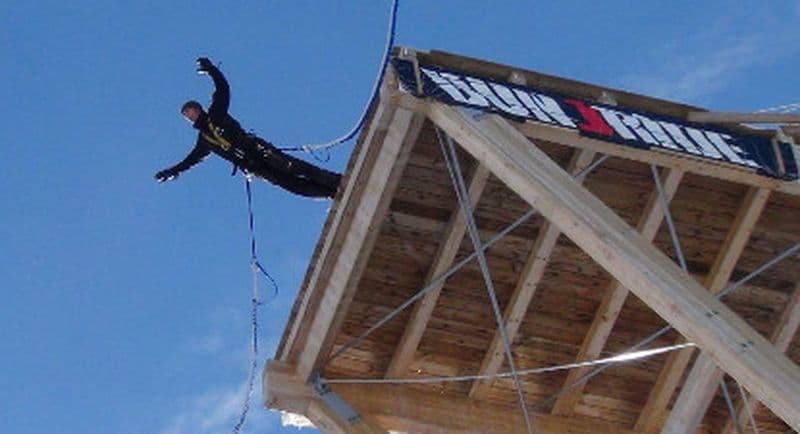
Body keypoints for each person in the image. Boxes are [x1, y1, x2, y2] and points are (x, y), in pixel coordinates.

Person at [155, 57, 342, 199]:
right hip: (253, 166)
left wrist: (211, 70)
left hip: (259, 151)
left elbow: (222, 90)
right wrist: (172, 171)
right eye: (186, 116)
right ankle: (331, 194)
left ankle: (339, 182)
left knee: (297, 168)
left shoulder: (215, 113)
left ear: (197, 109)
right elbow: (190, 160)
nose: (189, 117)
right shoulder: (204, 140)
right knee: (294, 186)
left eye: (189, 112)